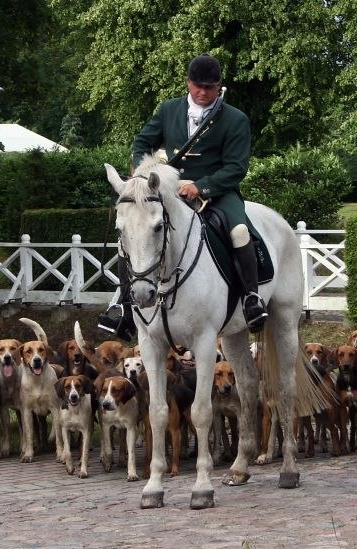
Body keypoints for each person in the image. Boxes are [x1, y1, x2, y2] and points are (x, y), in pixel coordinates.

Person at [98, 53, 268, 340]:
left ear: (219, 87)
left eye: (209, 87)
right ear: (188, 83)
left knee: (239, 231)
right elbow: (142, 143)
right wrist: (144, 173)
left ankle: (252, 298)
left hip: (219, 192)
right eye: (197, 86)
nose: (202, 92)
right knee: (133, 230)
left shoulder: (236, 119)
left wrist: (202, 186)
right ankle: (124, 305)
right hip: (170, 190)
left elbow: (236, 167)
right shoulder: (168, 110)